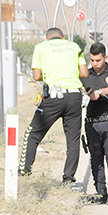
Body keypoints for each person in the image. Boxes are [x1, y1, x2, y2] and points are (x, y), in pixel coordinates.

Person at [19, 27, 89, 185]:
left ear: (47, 38)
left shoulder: (40, 47)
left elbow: (37, 76)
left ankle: (24, 170)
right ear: (63, 38)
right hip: (74, 97)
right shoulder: (74, 46)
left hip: (53, 96)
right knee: (73, 139)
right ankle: (68, 177)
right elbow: (84, 73)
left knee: (33, 133)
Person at [81, 42, 108, 205]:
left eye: (98, 60)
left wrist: (99, 92)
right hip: (92, 123)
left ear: (105, 57)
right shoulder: (86, 75)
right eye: (92, 60)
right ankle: (100, 192)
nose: (95, 63)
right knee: (96, 159)